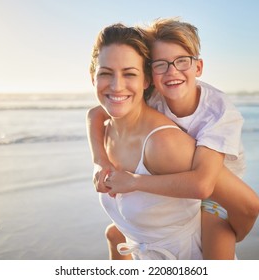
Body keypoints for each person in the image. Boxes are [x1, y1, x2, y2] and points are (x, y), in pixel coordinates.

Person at [87, 18, 259, 260]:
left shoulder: (219, 113)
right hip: (187, 183)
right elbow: (95, 113)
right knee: (116, 233)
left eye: (182, 62)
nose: (172, 72)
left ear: (198, 67)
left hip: (215, 190)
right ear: (151, 73)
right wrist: (100, 160)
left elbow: (203, 185)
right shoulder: (156, 95)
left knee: (218, 251)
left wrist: (235, 232)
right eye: (161, 64)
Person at [89, 23, 203, 259]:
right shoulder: (105, 131)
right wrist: (99, 160)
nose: (116, 85)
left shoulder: (164, 143)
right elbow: (92, 115)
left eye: (129, 73)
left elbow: (239, 204)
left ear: (146, 80)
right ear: (93, 77)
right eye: (105, 73)